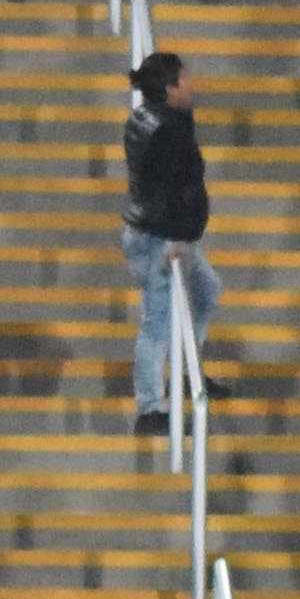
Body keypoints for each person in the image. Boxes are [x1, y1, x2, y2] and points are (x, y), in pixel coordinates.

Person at [121, 49, 217, 430]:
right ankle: (149, 408)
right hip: (161, 239)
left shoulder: (146, 117)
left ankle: (185, 372)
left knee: (207, 290)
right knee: (157, 322)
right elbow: (179, 188)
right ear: (170, 88)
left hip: (155, 231)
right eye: (184, 78)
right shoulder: (169, 133)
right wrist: (181, 237)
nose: (191, 83)